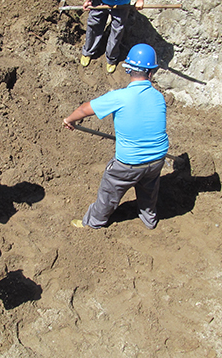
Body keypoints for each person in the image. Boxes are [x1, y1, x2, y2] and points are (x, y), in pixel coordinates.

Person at [63, 44, 168, 229]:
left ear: (128, 68)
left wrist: (70, 120)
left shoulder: (120, 96)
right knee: (149, 190)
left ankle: (93, 222)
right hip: (158, 159)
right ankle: (149, 219)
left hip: (128, 163)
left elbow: (84, 109)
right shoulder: (159, 97)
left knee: (109, 192)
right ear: (152, 72)